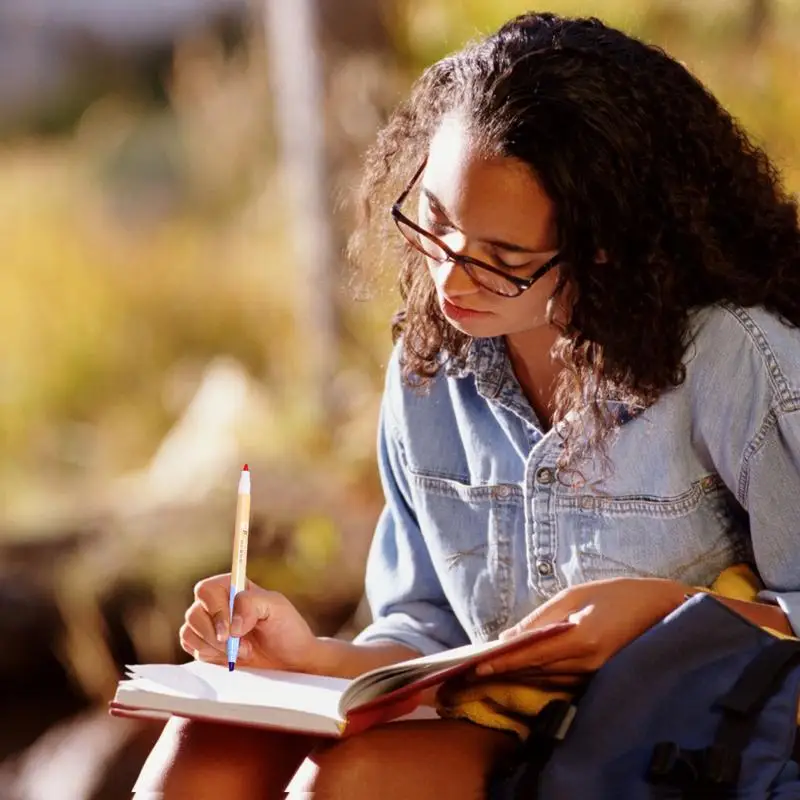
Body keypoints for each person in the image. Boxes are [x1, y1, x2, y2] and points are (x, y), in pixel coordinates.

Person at [134, 11, 800, 800]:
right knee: (205, 750)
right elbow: (425, 636)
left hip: (674, 739)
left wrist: (662, 614)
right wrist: (308, 654)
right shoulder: (431, 367)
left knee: (349, 784)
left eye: (503, 259)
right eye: (438, 227)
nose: (450, 282)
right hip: (505, 725)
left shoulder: (734, 357)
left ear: (607, 243)